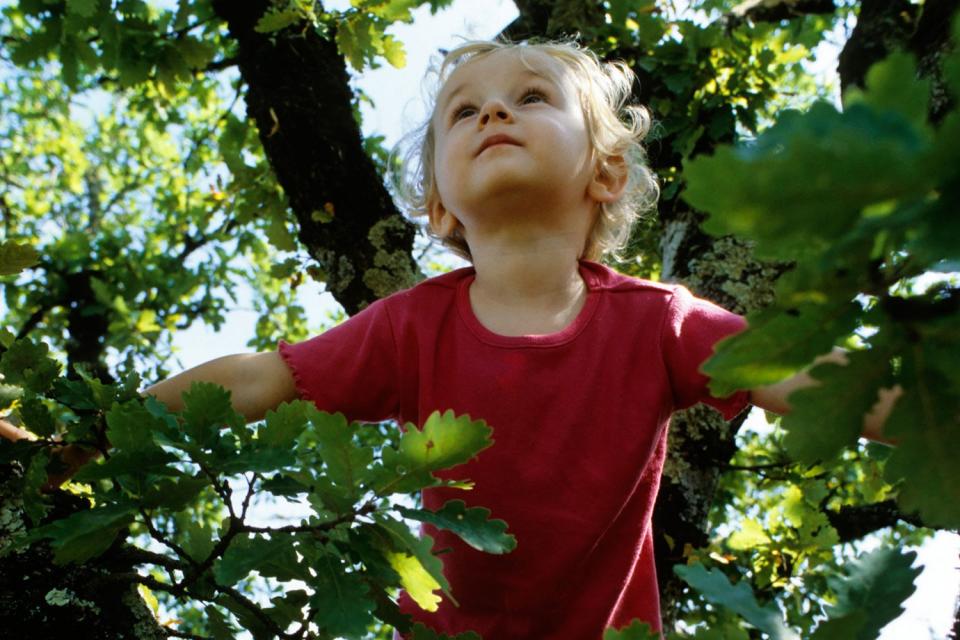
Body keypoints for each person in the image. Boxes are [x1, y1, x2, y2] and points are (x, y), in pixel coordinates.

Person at [0, 39, 898, 638]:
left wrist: (925, 406)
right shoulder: (411, 327)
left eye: (531, 98)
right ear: (437, 203)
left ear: (605, 169)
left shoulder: (659, 320)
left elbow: (807, 376)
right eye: (463, 113)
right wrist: (91, 439)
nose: (493, 115)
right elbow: (261, 377)